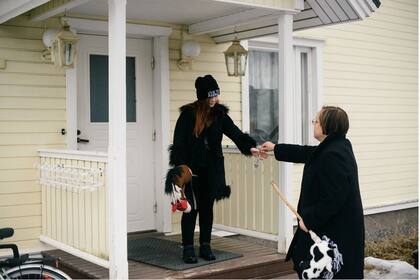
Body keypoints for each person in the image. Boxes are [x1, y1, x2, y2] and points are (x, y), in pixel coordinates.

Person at [261, 106, 364, 279]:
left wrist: (309, 219)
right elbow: (306, 152)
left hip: (335, 233)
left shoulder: (334, 155)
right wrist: (275, 148)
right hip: (330, 228)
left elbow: (334, 198)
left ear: (327, 127)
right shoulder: (333, 147)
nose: (314, 124)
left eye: (316, 121)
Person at [169, 74, 263, 264]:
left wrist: (250, 147)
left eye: (216, 95)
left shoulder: (219, 114)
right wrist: (180, 170)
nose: (214, 99)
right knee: (190, 209)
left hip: (211, 170)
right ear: (202, 96)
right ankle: (188, 248)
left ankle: (205, 245)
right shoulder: (188, 115)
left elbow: (235, 132)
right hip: (191, 171)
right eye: (210, 96)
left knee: (207, 209)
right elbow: (178, 144)